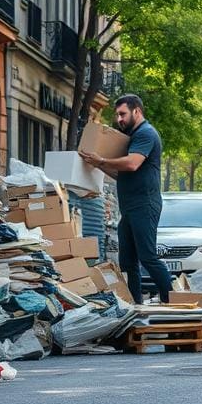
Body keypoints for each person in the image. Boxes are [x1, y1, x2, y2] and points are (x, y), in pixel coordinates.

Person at [79, 94, 172, 303]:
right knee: (127, 262)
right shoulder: (133, 137)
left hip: (144, 205)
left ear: (136, 111)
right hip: (129, 208)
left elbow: (132, 164)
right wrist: (98, 164)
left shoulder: (146, 133)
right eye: (117, 115)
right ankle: (134, 305)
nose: (119, 119)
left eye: (123, 114)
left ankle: (173, 300)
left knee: (147, 257)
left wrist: (102, 160)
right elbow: (121, 174)